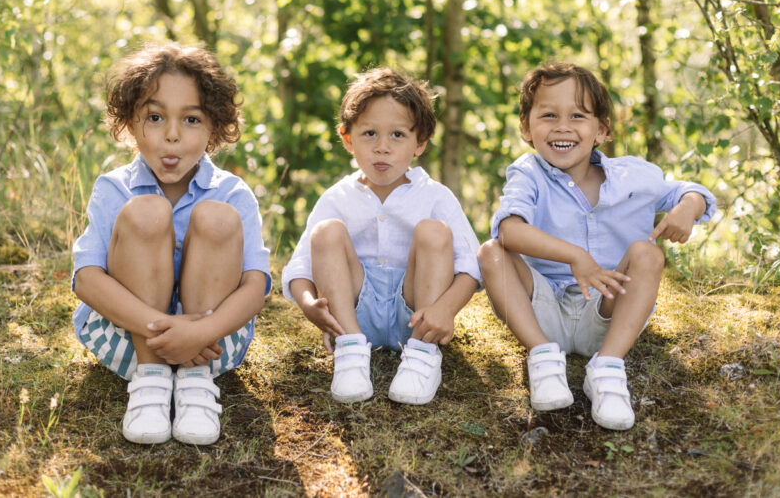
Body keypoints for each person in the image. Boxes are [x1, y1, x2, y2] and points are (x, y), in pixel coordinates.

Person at [478, 61, 715, 430]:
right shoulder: (528, 173)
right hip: (543, 309)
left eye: (578, 115)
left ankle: (606, 367)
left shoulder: (632, 174)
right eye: (548, 115)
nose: (562, 126)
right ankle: (541, 354)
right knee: (490, 250)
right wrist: (575, 256)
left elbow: (689, 191)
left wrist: (688, 207)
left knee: (647, 253)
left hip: (608, 310)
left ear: (601, 129)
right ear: (526, 127)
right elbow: (509, 230)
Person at [71, 45, 269, 445]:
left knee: (216, 217)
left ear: (214, 129)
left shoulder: (233, 193)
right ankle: (151, 380)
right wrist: (164, 331)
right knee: (147, 212)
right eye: (156, 117)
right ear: (130, 123)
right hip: (128, 336)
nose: (172, 134)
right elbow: (86, 279)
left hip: (211, 344)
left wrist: (201, 331)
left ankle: (196, 386)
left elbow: (255, 286)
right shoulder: (113, 188)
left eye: (191, 119)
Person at [282, 68, 481, 405]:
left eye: (398, 136)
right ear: (347, 139)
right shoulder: (337, 197)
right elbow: (300, 268)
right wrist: (308, 305)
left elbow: (471, 268)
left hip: (416, 311)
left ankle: (422, 353)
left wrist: (444, 309)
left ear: (420, 144)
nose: (382, 148)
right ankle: (350, 352)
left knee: (433, 231)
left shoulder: (435, 196)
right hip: (353, 313)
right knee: (326, 232)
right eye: (370, 133)